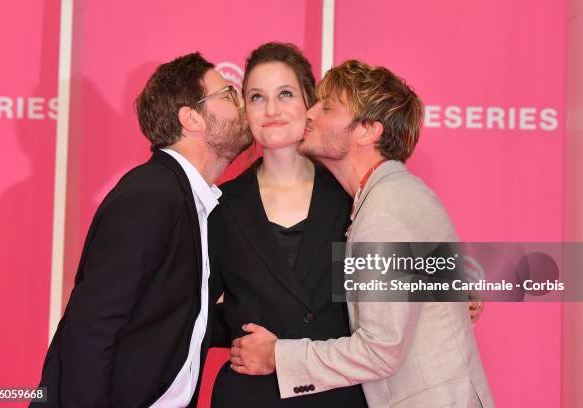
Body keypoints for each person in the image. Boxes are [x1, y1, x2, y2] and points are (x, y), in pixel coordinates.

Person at [229, 60, 495, 407]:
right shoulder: (398, 194)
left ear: (367, 131)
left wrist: (278, 356)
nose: (310, 115)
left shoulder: (383, 212)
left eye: (327, 107)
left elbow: (380, 350)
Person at [32, 53, 251, 408]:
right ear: (191, 117)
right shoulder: (150, 195)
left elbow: (181, 316)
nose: (241, 104)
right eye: (228, 95)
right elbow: (91, 326)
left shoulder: (197, 202)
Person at [208, 43, 368, 407]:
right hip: (251, 394)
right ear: (245, 110)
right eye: (257, 97)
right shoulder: (219, 204)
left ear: (308, 103)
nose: (272, 110)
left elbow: (387, 280)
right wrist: (240, 331)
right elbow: (198, 309)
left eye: (285, 94)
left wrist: (452, 293)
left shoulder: (352, 194)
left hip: (335, 392)